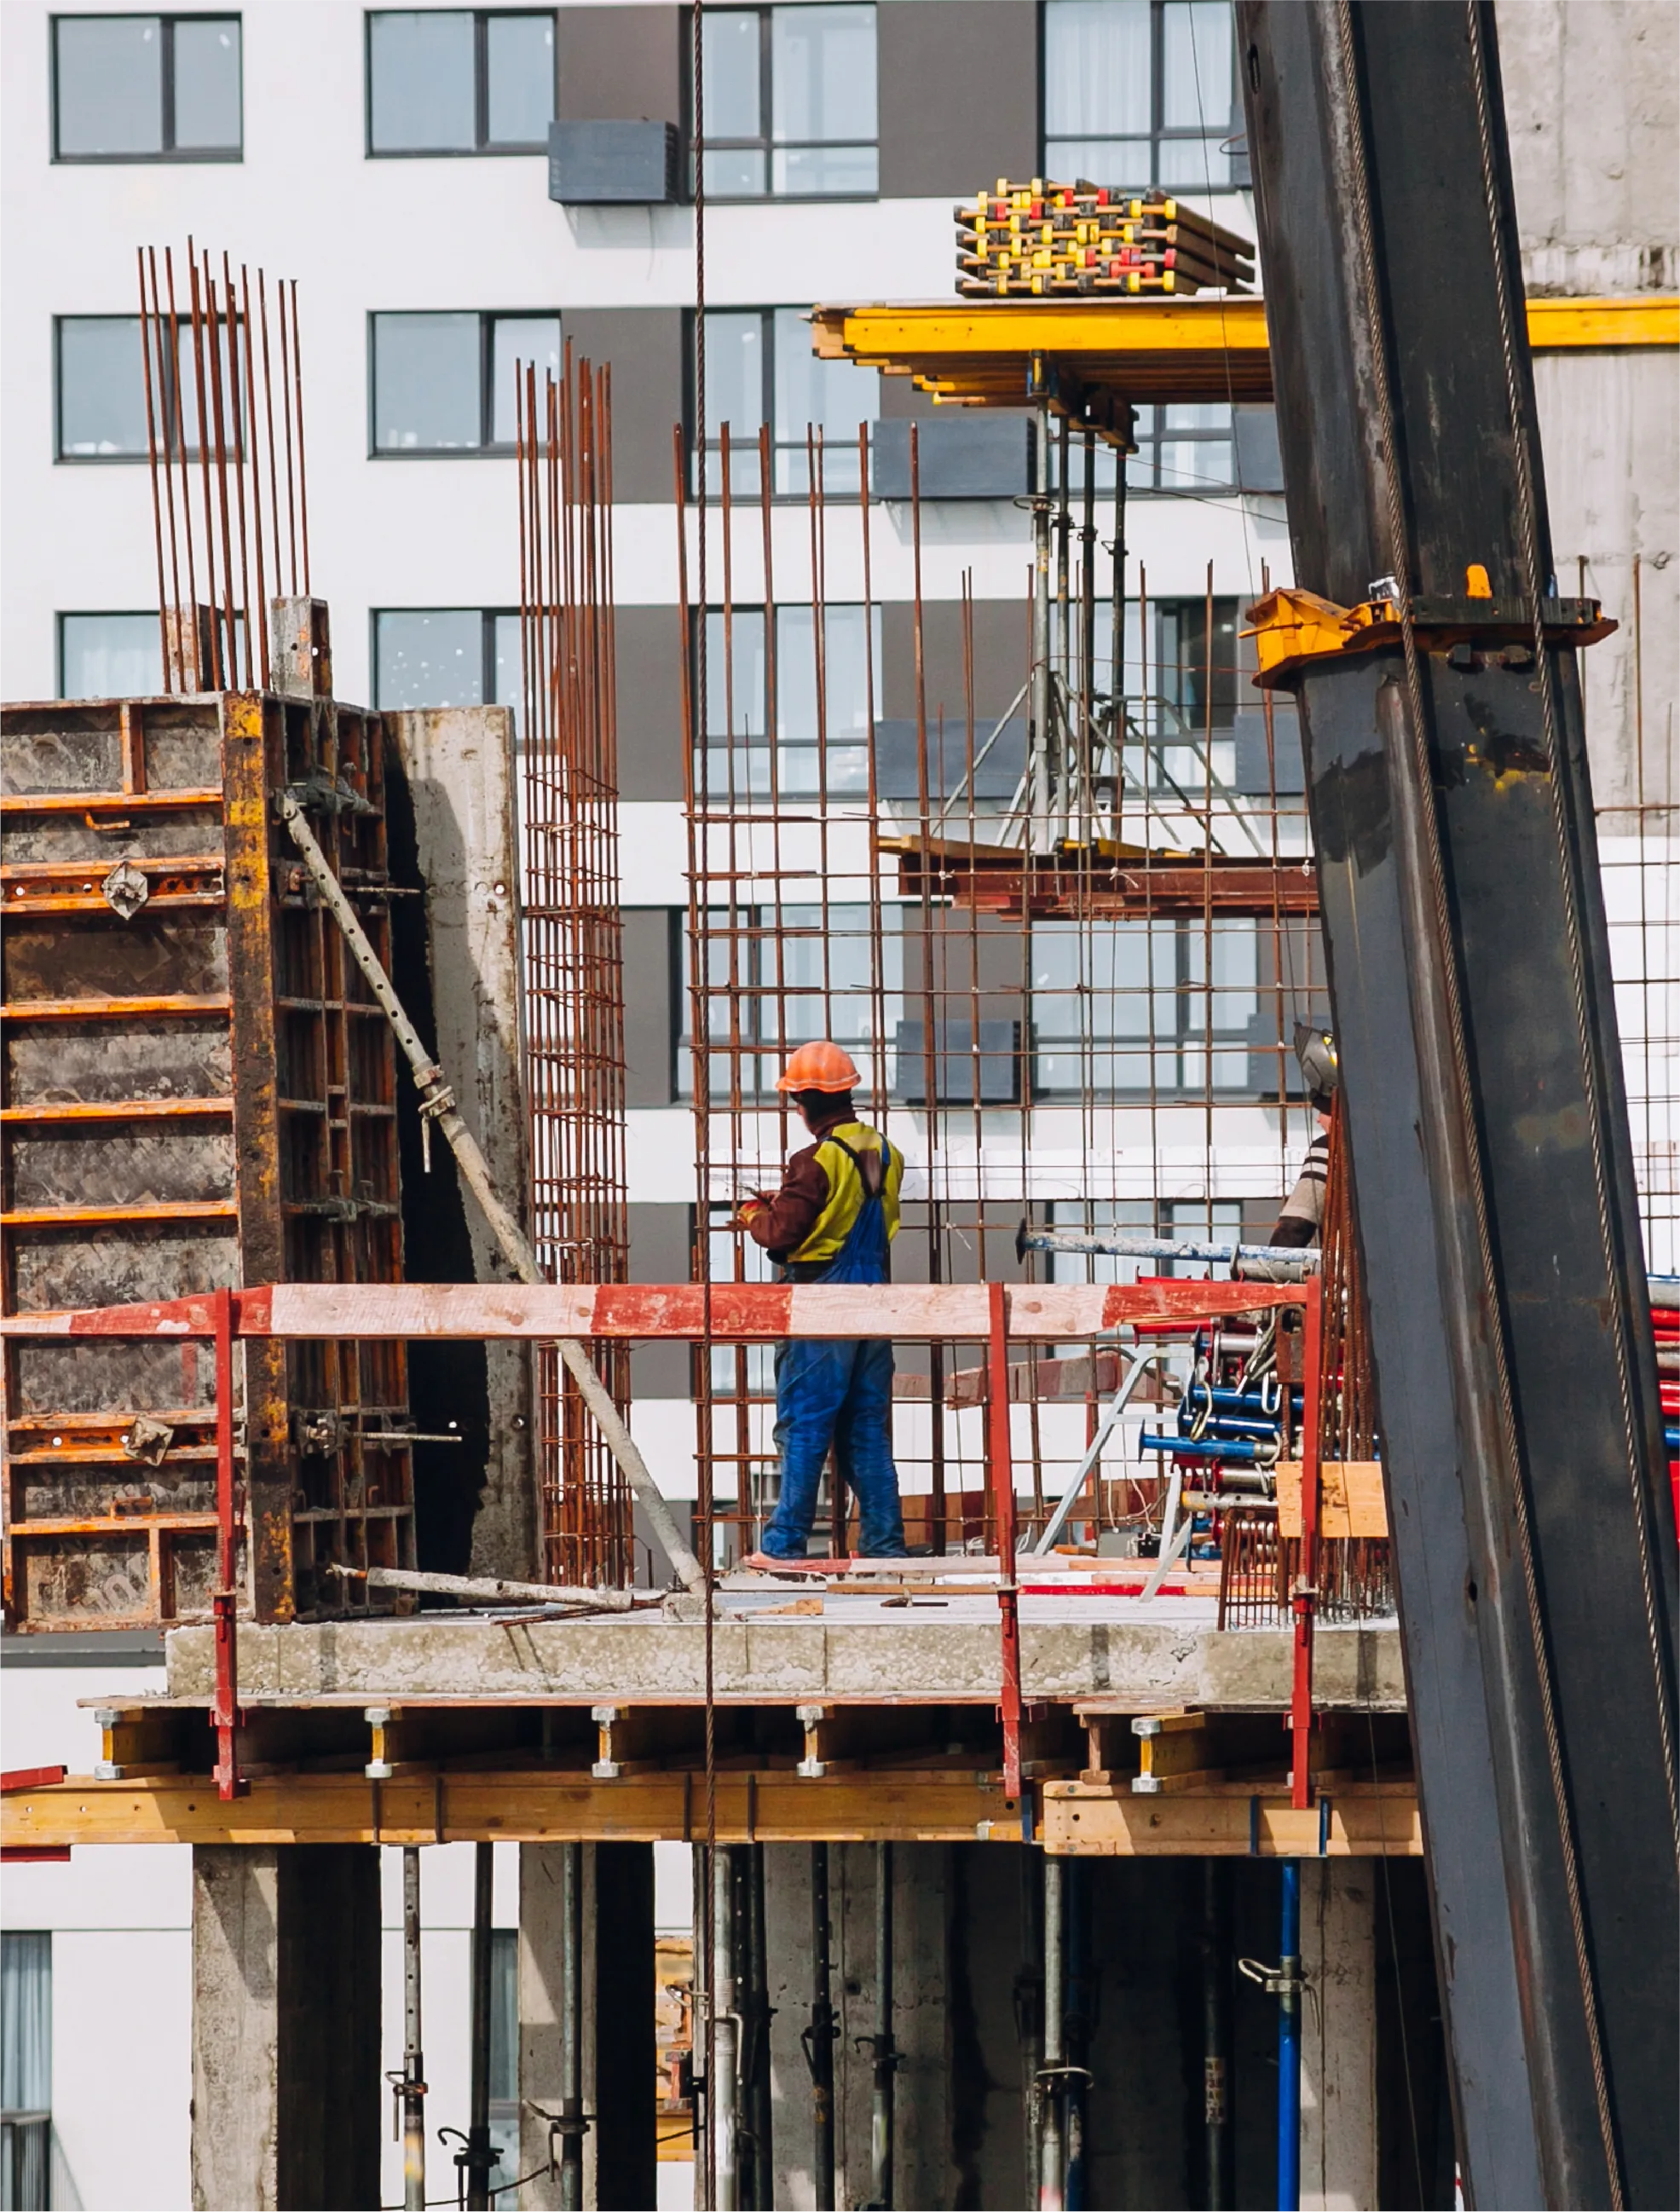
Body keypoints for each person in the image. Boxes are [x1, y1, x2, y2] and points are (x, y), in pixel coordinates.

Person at [733, 1041, 908, 1562]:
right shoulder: (883, 1151)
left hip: (824, 1299)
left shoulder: (815, 1160)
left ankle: (784, 1546)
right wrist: (793, 1201)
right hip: (873, 1296)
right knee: (866, 1429)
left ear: (803, 1101)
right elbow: (853, 1204)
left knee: (805, 1425)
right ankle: (885, 1548)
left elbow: (782, 1235)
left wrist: (753, 1213)